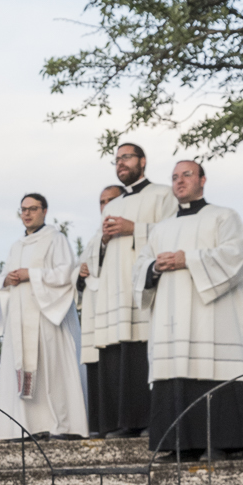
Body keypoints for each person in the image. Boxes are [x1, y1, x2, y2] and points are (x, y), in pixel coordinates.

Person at [135, 160, 243, 457]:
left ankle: (221, 444)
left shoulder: (224, 217)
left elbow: (234, 255)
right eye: (175, 177)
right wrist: (154, 267)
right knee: (174, 374)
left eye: (187, 175)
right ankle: (179, 447)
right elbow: (140, 266)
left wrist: (187, 259)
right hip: (171, 318)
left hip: (213, 317)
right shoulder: (161, 229)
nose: (179, 181)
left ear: (203, 180)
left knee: (212, 369)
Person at [76, 142, 177, 436]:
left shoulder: (163, 195)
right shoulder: (113, 206)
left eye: (127, 157)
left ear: (142, 161)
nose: (121, 163)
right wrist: (103, 242)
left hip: (144, 290)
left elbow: (174, 233)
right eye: (117, 159)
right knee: (118, 357)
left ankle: (149, 421)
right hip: (113, 292)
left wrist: (135, 229)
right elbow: (94, 252)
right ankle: (123, 423)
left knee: (141, 353)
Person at [0, 193, 88, 439]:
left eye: (32, 209)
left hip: (46, 318)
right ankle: (27, 427)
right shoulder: (16, 246)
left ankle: (62, 426)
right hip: (20, 321)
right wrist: (7, 279)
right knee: (23, 369)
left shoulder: (56, 239)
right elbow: (1, 281)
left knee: (52, 371)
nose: (27, 214)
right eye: (23, 209)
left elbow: (66, 273)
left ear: (44, 211)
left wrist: (31, 274)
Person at [78, 186, 124, 434]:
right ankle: (100, 424)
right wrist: (80, 274)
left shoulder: (127, 233)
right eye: (102, 201)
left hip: (118, 310)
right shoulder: (94, 238)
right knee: (97, 366)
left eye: (111, 200)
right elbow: (81, 273)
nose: (106, 206)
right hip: (94, 311)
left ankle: (120, 423)